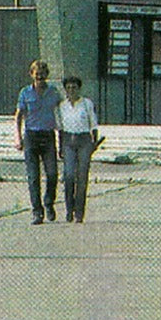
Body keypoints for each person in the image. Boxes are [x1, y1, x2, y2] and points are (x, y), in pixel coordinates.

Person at [14, 59, 63, 223]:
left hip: (48, 136)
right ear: (31, 75)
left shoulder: (53, 92)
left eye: (43, 74)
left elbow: (61, 112)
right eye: (37, 74)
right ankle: (37, 211)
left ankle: (49, 202)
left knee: (52, 174)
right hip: (31, 136)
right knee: (33, 177)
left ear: (47, 75)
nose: (40, 77)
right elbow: (19, 116)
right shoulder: (25, 93)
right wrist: (17, 137)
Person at [58, 75, 100, 223]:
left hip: (84, 141)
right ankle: (69, 209)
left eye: (74, 87)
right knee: (69, 175)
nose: (71, 90)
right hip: (68, 141)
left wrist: (93, 143)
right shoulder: (62, 106)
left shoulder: (86, 104)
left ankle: (79, 212)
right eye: (68, 88)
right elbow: (60, 128)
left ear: (79, 88)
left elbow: (93, 124)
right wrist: (60, 146)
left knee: (82, 177)